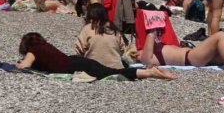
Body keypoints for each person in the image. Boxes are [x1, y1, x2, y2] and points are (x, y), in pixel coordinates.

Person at [16, 32, 175, 80]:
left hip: (74, 65)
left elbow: (25, 66)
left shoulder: (34, 50)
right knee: (110, 71)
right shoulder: (44, 46)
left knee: (112, 73)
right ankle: (150, 70)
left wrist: (18, 64)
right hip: (76, 61)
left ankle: (150, 72)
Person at [139, 25, 224, 75]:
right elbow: (147, 61)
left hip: (194, 56)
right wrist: (151, 33)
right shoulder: (146, 57)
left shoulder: (155, 50)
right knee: (220, 34)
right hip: (191, 58)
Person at [75, 3, 127, 69]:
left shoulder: (88, 28)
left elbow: (79, 49)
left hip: (93, 68)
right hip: (116, 68)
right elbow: (122, 49)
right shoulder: (113, 28)